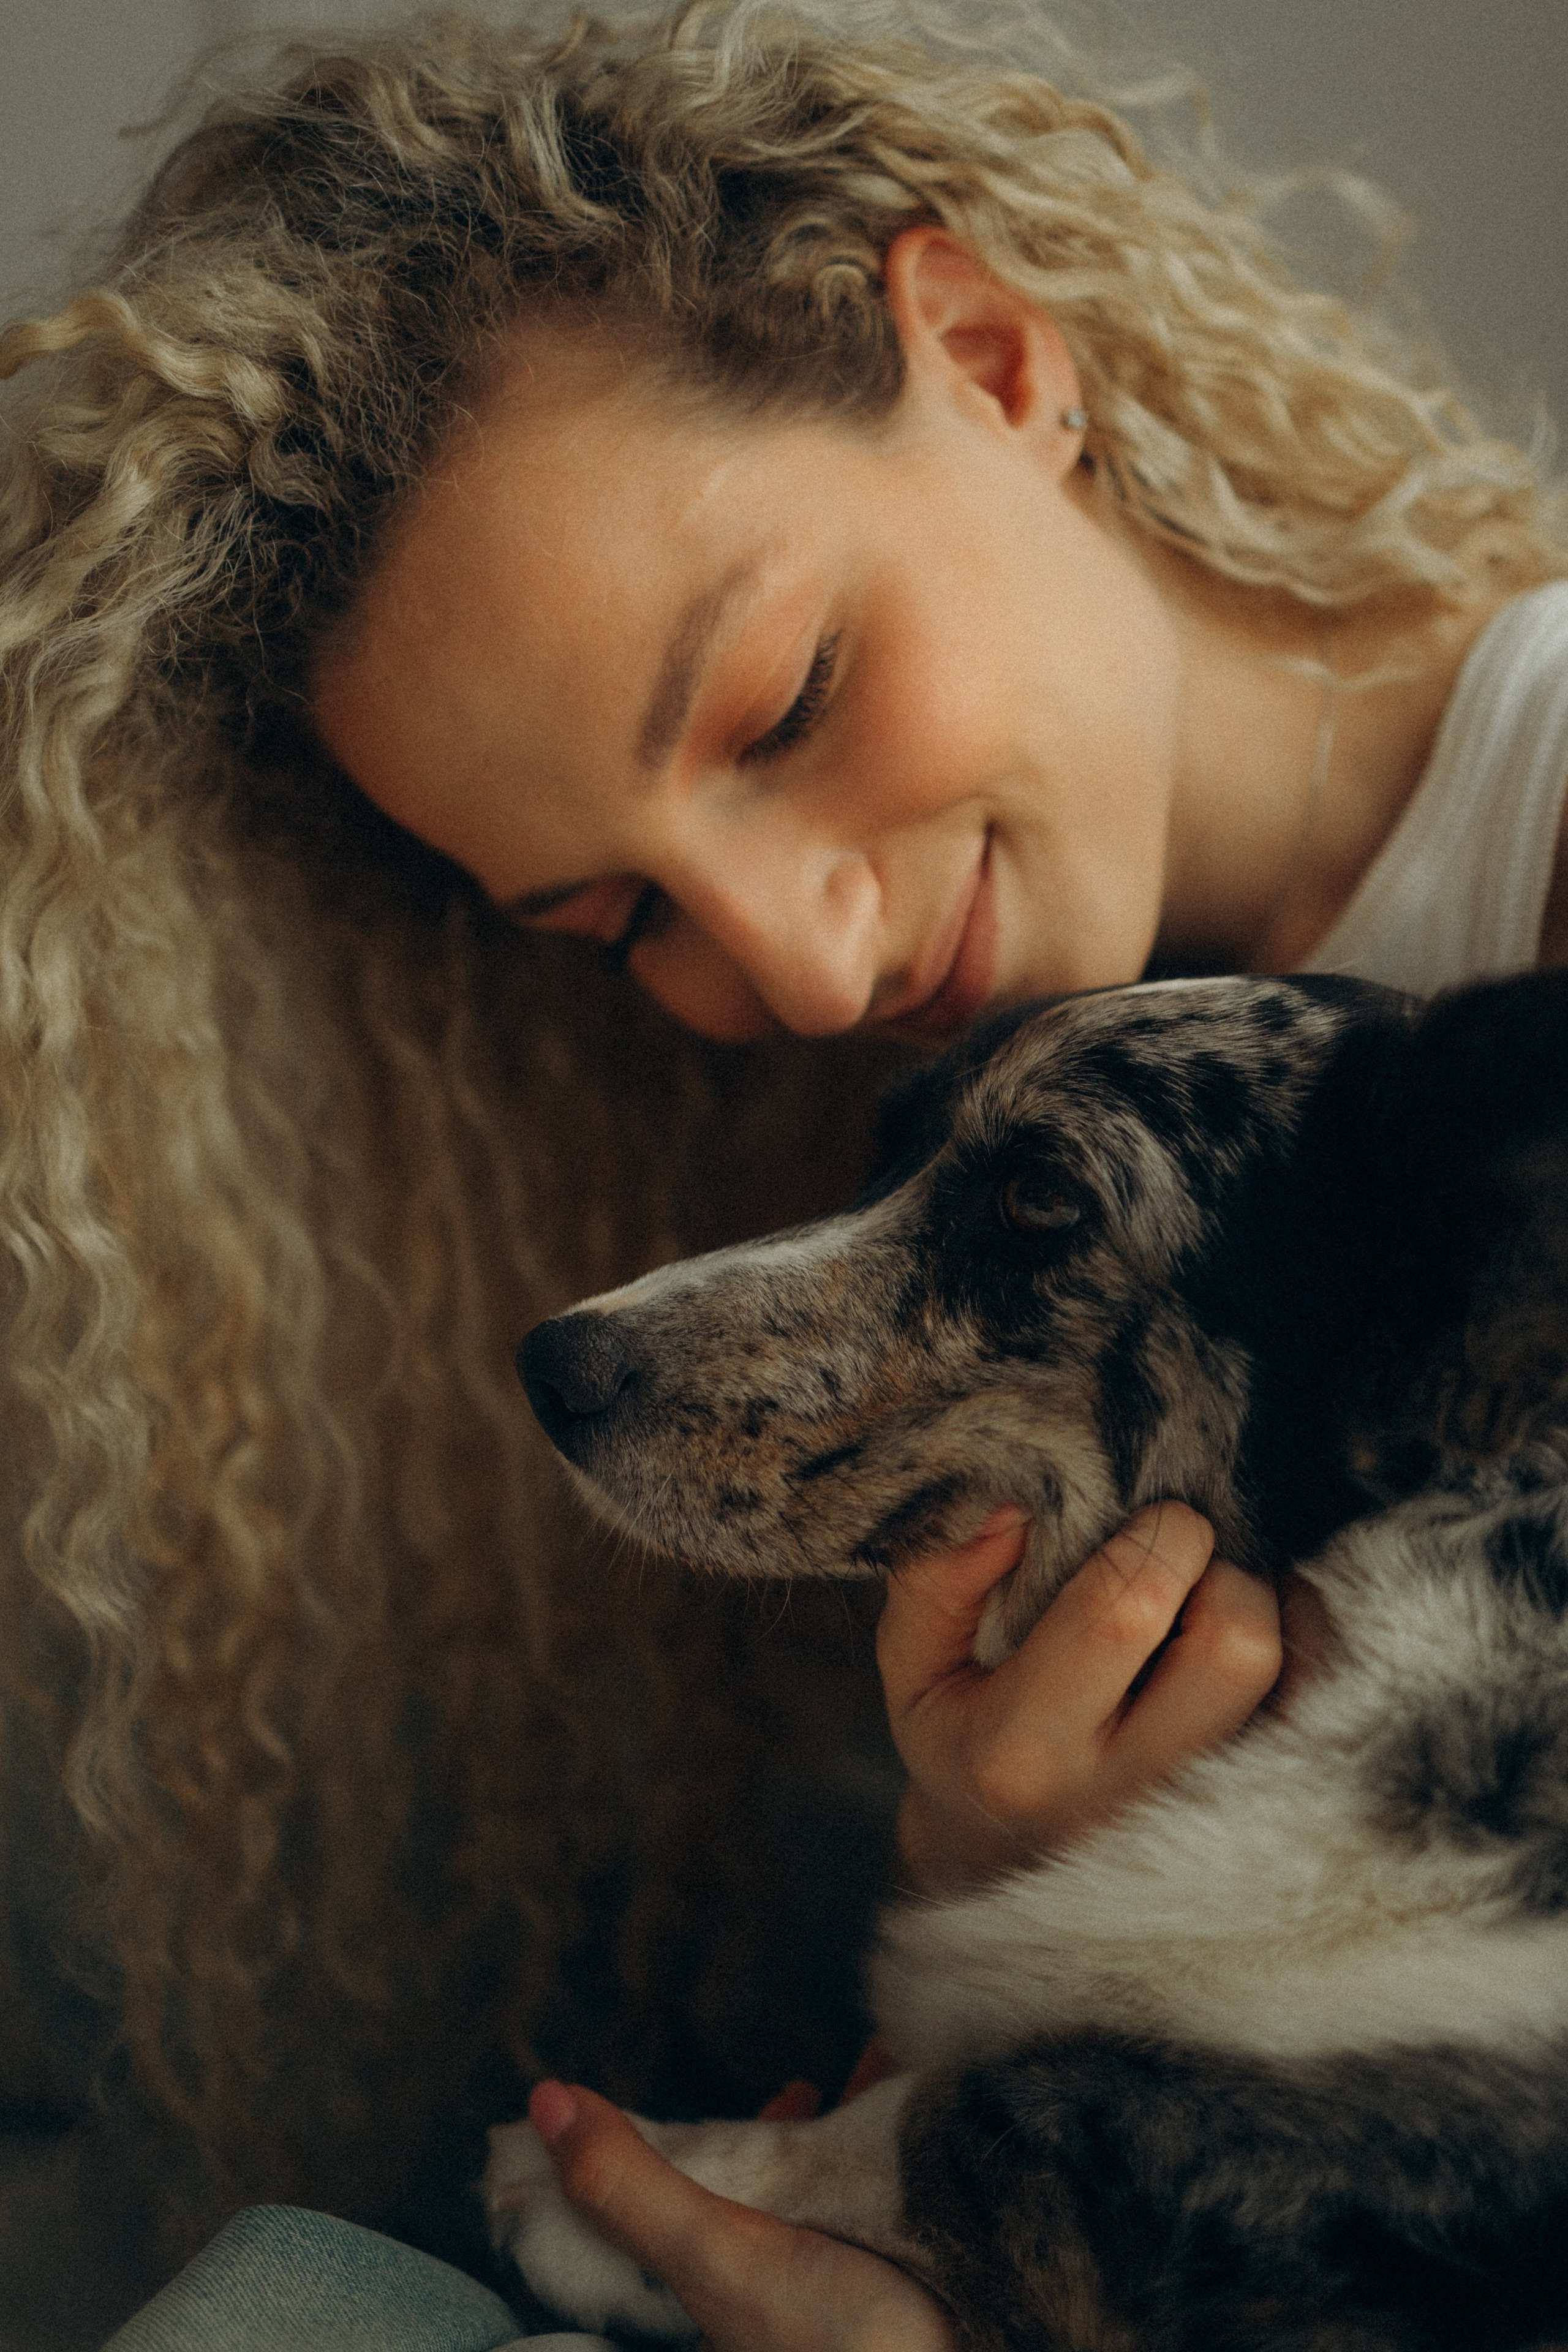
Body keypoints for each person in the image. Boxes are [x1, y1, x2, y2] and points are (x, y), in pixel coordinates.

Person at [1, 0, 1563, 2344]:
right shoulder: (899, 1195)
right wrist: (1000, 1866)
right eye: (616, 916)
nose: (800, 963)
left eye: (786, 702)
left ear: (993, 357)